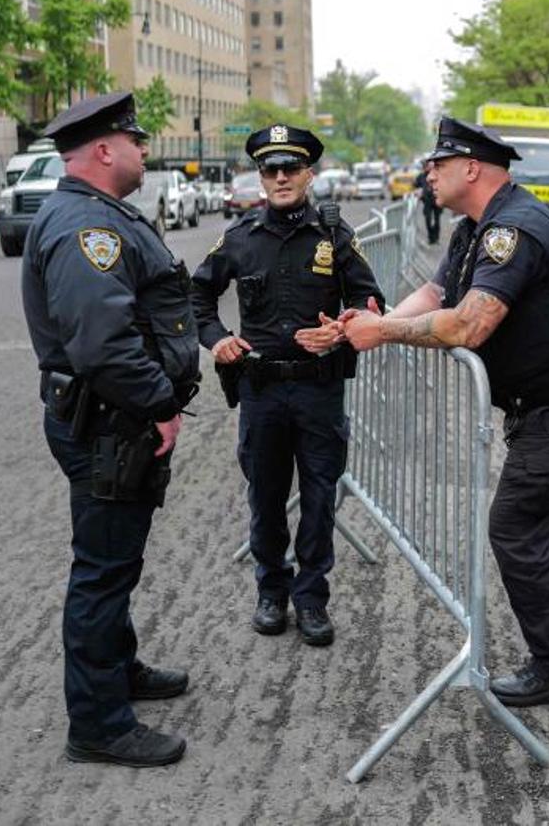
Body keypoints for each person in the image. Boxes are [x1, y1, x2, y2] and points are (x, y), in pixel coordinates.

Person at [341, 117, 549, 707]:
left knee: (515, 530)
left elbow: (470, 324)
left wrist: (383, 332)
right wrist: (375, 320)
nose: (427, 174)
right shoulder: (476, 227)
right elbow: (441, 296)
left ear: (471, 168)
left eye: (436, 165)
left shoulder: (512, 231)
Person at [21, 91, 201, 767]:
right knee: (102, 570)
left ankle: (118, 671)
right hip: (110, 422)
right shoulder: (84, 229)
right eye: (135, 139)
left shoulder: (95, 215)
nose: (144, 148)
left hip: (109, 419)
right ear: (103, 150)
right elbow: (103, 344)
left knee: (116, 562)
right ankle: (98, 724)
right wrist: (160, 404)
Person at [190, 124, 384, 645]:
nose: (280, 178)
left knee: (320, 498)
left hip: (319, 391)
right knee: (267, 498)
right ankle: (271, 591)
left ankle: (312, 597)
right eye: (270, 169)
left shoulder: (334, 236)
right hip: (261, 393)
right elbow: (196, 298)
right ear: (260, 177)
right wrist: (217, 340)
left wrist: (341, 330)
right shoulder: (238, 238)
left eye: (290, 169)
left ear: (308, 174)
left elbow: (372, 305)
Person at [414, 158, 442, 244]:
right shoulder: (421, 176)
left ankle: (436, 238)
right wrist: (418, 192)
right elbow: (415, 185)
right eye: (426, 166)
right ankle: (431, 238)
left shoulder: (436, 175)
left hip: (436, 200)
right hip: (427, 201)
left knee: (437, 220)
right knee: (428, 219)